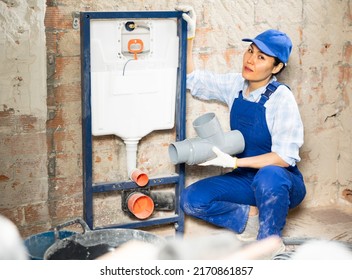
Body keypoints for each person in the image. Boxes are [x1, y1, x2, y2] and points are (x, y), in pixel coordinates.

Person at [176, 5, 306, 255]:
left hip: (281, 181)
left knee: (270, 175)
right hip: (246, 178)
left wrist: (235, 162)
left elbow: (284, 158)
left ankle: (269, 242)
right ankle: (250, 217)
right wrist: (189, 37)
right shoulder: (236, 84)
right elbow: (193, 80)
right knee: (192, 200)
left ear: (276, 67)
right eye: (250, 51)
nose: (250, 60)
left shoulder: (281, 99)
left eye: (261, 57)